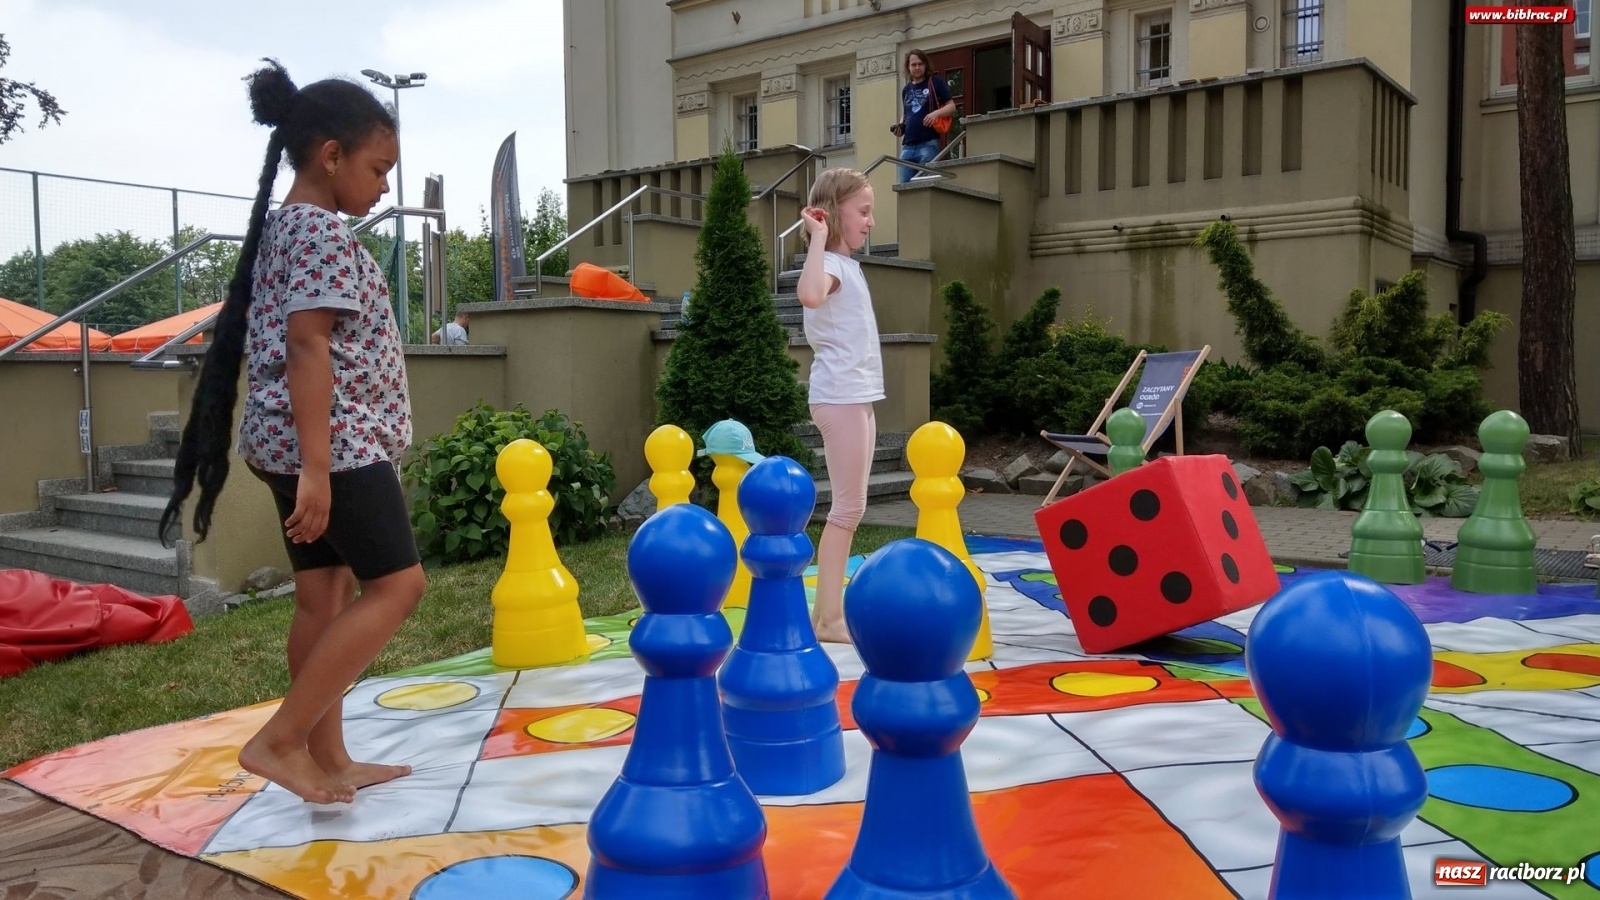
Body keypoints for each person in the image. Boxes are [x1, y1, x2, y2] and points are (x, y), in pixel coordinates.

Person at [160, 60, 425, 805]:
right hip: (331, 449)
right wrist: (317, 468)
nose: (382, 188)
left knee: (324, 594)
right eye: (377, 169)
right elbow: (309, 345)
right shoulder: (317, 233)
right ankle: (279, 742)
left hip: (295, 445)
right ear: (330, 155)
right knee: (399, 585)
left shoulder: (290, 228)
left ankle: (328, 758)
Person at [796, 168, 880, 644]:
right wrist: (818, 237)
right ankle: (828, 618)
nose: (870, 223)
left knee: (853, 507)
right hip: (840, 396)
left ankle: (827, 614)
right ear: (832, 213)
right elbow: (808, 296)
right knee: (846, 510)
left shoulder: (848, 266)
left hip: (857, 395)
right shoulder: (827, 265)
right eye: (863, 212)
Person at [891, 49, 955, 185]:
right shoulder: (906, 89)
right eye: (913, 65)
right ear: (908, 67)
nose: (917, 67)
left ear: (925, 65)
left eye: (920, 64)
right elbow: (907, 113)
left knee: (926, 188)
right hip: (908, 146)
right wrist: (900, 126)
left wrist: (935, 114)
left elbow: (951, 106)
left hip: (928, 143)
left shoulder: (935, 81)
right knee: (904, 190)